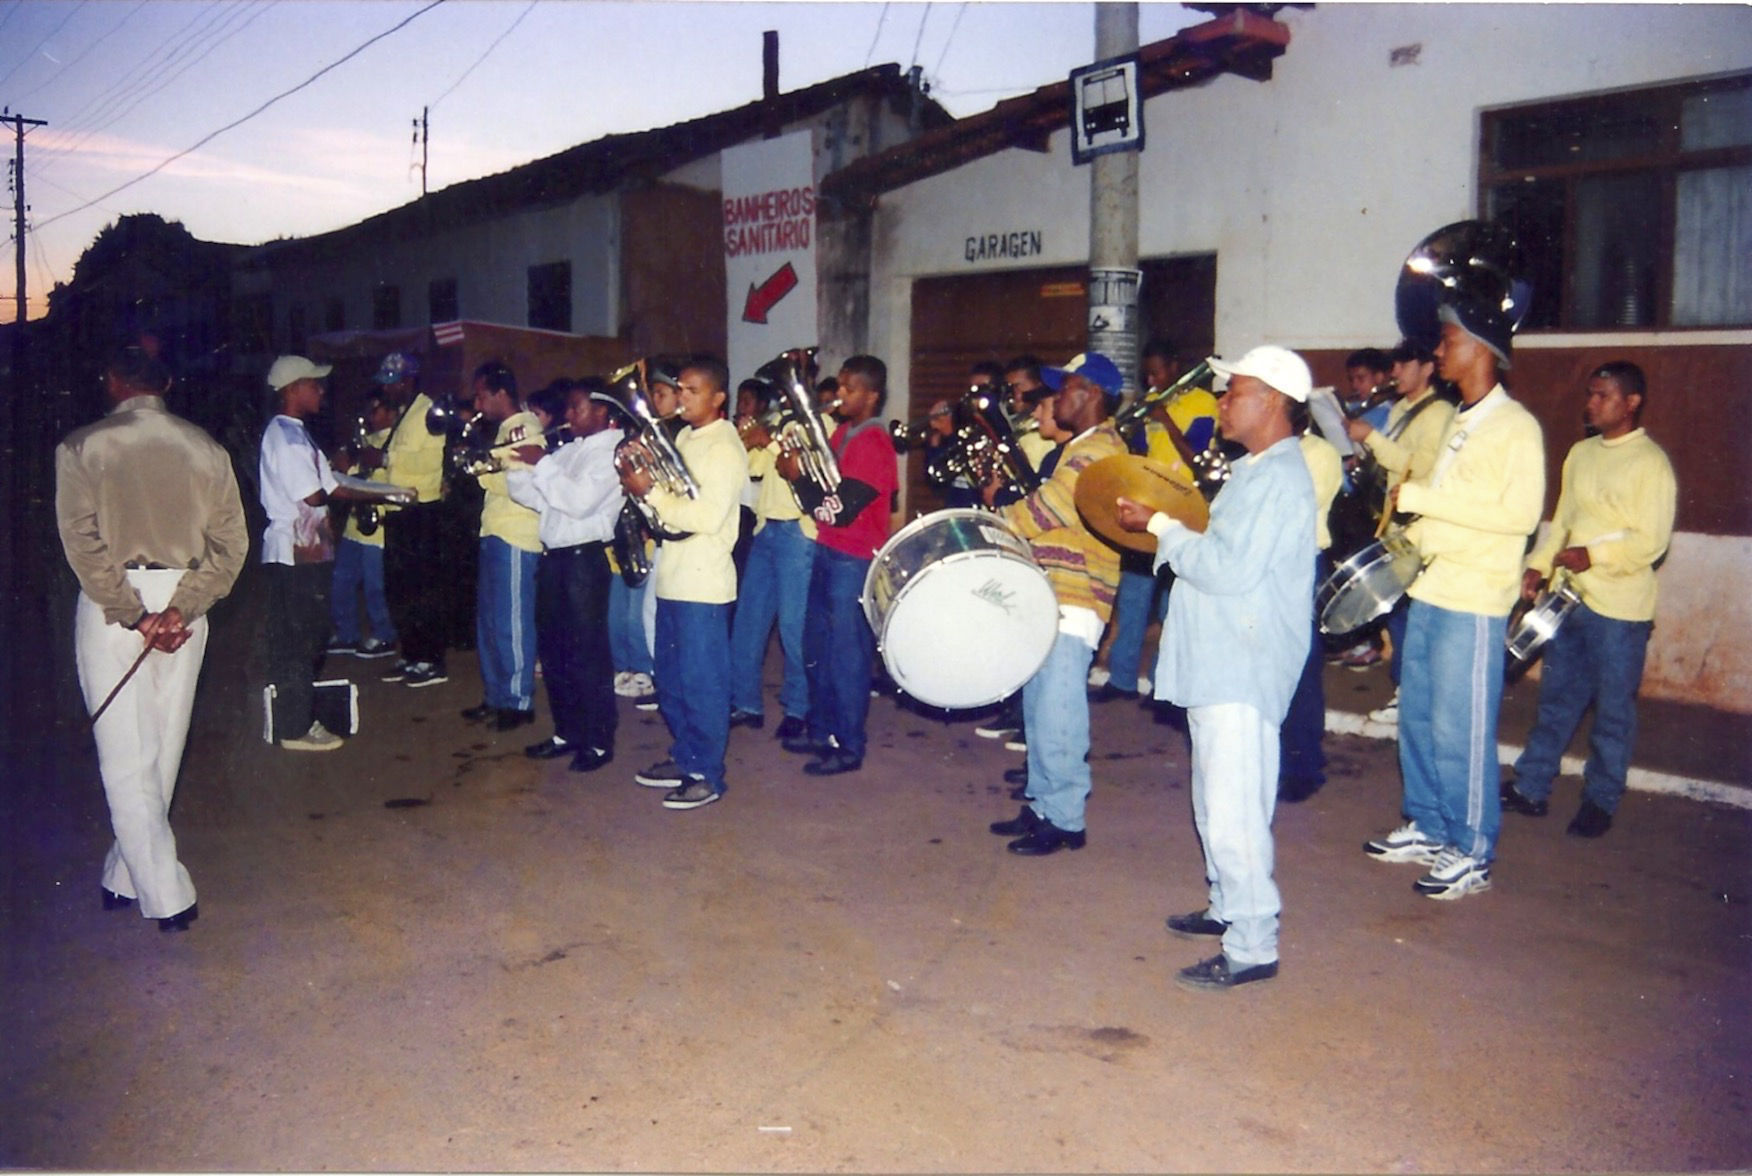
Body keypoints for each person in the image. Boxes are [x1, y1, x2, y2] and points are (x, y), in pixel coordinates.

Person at [1114, 344, 1316, 990]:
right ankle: (1228, 906)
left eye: (1237, 392)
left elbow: (1227, 570)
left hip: (1243, 663)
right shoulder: (1255, 470)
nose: (1223, 403)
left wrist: (1164, 528)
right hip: (1223, 659)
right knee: (1214, 799)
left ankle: (1253, 944)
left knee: (1234, 810)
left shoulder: (1279, 477)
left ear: (1275, 402)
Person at [55, 348, 249, 932]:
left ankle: (167, 895)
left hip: (116, 606)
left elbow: (82, 543)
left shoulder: (81, 447)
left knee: (126, 756)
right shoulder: (206, 448)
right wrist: (182, 607)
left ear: (111, 381)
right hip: (184, 603)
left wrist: (132, 613)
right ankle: (124, 872)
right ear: (166, 383)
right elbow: (231, 545)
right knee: (162, 749)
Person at [1363, 303, 1544, 900]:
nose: (1438, 353)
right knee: (1417, 714)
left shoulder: (1515, 426)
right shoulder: (1461, 423)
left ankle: (1471, 851)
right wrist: (1402, 543)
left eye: (1447, 342)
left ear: (1481, 348)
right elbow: (1440, 505)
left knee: (1459, 727)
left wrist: (1423, 500)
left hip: (1473, 599)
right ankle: (1430, 825)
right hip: (1432, 588)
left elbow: (1518, 516)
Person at [1502, 361, 1675, 838]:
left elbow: (1651, 542)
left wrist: (1592, 554)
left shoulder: (1650, 463)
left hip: (1620, 612)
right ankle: (1531, 787)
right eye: (1591, 395)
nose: (1591, 404)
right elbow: (1562, 521)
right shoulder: (1580, 453)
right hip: (1569, 601)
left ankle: (1600, 800)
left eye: (1603, 396)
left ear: (1631, 402)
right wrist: (1539, 563)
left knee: (1613, 712)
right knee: (1556, 702)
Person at [984, 352, 1128, 854]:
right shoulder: (1081, 448)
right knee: (1041, 708)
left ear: (1088, 394)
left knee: (1060, 712)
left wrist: (995, 518)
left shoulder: (1098, 451)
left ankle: (1065, 819)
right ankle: (1043, 803)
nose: (1053, 399)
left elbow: (1049, 509)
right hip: (1055, 591)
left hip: (1078, 594)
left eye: (1063, 389)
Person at [621, 357, 748, 810]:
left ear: (718, 398)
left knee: (703, 685)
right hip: (673, 578)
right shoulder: (686, 439)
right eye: (680, 388)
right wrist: (644, 480)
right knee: (671, 682)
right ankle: (687, 756)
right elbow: (670, 506)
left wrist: (649, 491)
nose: (682, 397)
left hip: (703, 586)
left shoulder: (725, 448)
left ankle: (707, 776)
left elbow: (704, 516)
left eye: (692, 390)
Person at [259, 355, 399, 752]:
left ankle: (297, 719)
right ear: (291, 390)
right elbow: (317, 494)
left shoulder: (295, 433)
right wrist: (349, 475)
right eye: (313, 384)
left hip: (307, 551)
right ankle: (296, 726)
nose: (320, 390)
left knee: (308, 637)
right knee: (302, 641)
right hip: (295, 553)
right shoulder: (287, 440)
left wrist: (382, 491)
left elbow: (333, 486)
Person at [779, 354, 899, 776]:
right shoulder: (845, 433)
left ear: (872, 395)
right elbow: (825, 496)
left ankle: (849, 744)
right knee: (818, 649)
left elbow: (839, 509)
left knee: (847, 655)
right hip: (829, 552)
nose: (839, 395)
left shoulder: (873, 441)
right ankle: (823, 730)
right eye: (840, 387)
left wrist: (796, 477)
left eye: (850, 389)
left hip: (854, 558)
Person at [508, 378, 626, 772]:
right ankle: (567, 730)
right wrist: (518, 464)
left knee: (585, 653)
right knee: (554, 651)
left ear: (603, 411)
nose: (569, 416)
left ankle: (596, 739)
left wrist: (540, 463)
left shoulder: (613, 452)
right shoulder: (570, 450)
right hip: (555, 559)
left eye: (577, 408)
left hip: (583, 561)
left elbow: (576, 503)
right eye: (569, 408)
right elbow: (535, 498)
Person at [1097, 339, 1219, 703]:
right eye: (1147, 373)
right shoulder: (1148, 404)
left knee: (1170, 605)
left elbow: (1197, 456)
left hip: (1181, 510)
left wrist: (1164, 420)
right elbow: (1136, 456)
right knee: (1134, 596)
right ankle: (1121, 680)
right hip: (1143, 508)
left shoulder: (1202, 403)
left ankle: (1161, 683)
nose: (1153, 379)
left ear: (1176, 366)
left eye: (1158, 371)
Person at [1344, 339, 1455, 715]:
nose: (1395, 372)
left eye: (1404, 365)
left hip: (1417, 526)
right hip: (1393, 526)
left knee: (1411, 617)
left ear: (1427, 368)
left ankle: (1411, 697)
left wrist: (1370, 437)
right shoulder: (1400, 410)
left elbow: (1421, 467)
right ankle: (1408, 693)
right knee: (1398, 614)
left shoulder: (1438, 412)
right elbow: (1392, 461)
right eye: (1394, 365)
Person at [729, 376, 818, 741]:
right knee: (749, 621)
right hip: (766, 530)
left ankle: (799, 708)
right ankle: (746, 703)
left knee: (793, 628)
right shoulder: (774, 426)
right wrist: (747, 439)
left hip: (798, 532)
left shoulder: (817, 424)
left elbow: (806, 470)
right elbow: (752, 470)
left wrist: (771, 440)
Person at [459, 361, 545, 731]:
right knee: (490, 621)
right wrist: (486, 466)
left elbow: (520, 479)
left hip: (516, 534)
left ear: (501, 394)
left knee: (512, 621)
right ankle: (496, 696)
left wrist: (485, 469)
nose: (477, 402)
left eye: (482, 394)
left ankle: (518, 701)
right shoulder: (502, 432)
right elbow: (494, 472)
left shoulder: (524, 427)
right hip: (494, 530)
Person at [365, 352, 451, 688]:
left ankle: (431, 661)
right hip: (399, 512)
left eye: (392, 383)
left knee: (422, 591)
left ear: (408, 381)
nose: (387, 390)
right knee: (400, 590)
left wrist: (386, 457)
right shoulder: (405, 413)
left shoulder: (428, 412)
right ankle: (412, 654)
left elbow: (429, 463)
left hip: (422, 511)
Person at [326, 392, 399, 660]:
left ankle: (384, 635)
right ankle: (347, 634)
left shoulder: (393, 442)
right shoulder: (364, 439)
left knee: (374, 586)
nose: (371, 415)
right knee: (341, 579)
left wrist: (352, 468)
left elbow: (381, 480)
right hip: (355, 525)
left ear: (391, 412)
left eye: (376, 409)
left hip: (376, 528)